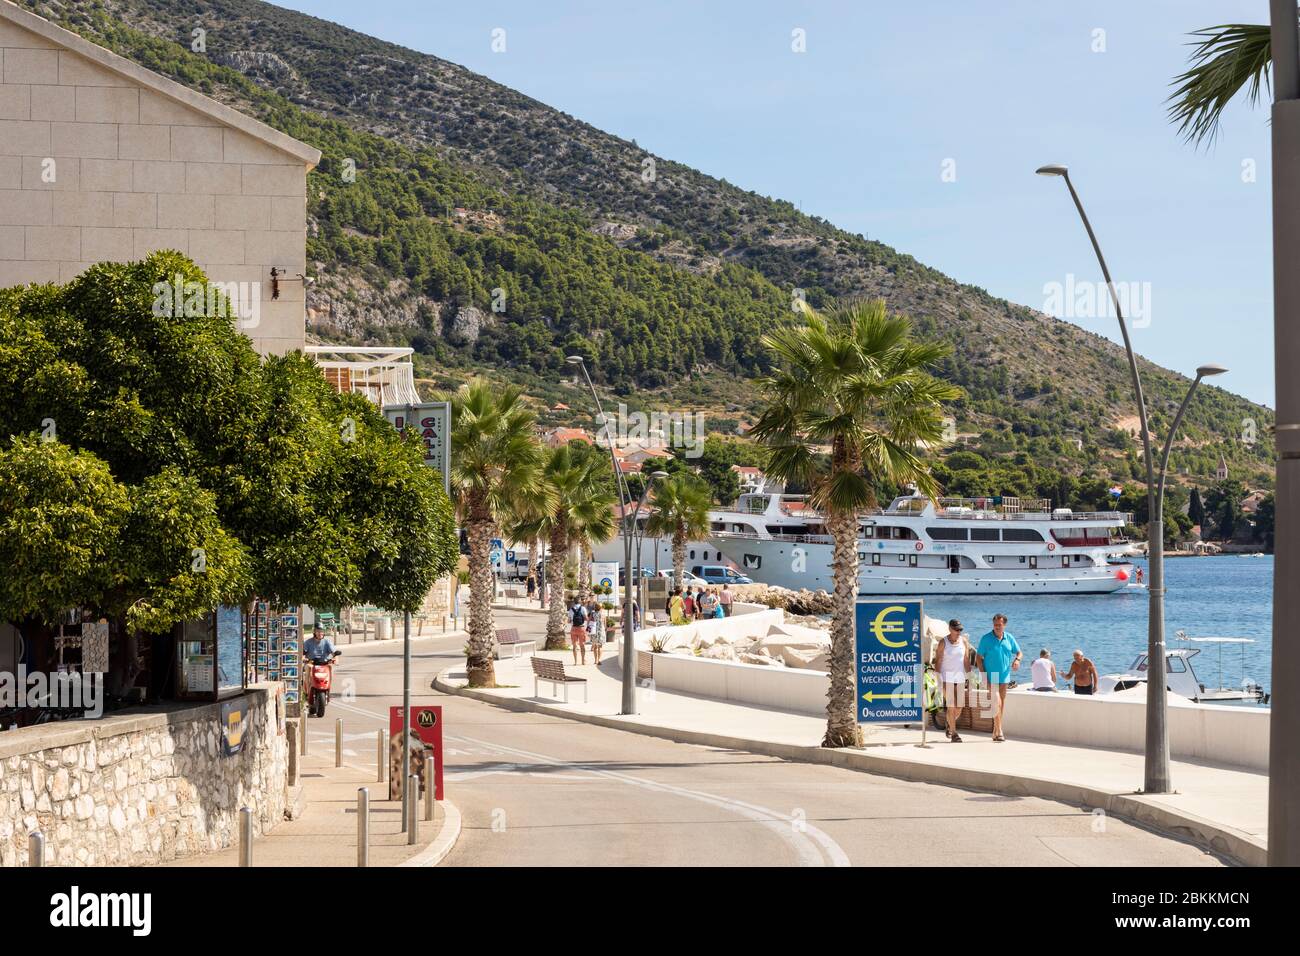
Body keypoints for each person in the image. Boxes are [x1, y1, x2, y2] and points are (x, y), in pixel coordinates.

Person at [975, 613, 1022, 742]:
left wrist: (1017, 660)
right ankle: (1000, 730)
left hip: (1005, 676)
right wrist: (983, 675)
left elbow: (1019, 652)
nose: (997, 627)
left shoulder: (1009, 638)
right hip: (991, 676)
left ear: (1004, 625)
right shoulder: (986, 639)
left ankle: (995, 731)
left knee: (1001, 704)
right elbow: (978, 658)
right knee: (996, 702)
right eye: (995, 625)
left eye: (999, 625)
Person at [933, 619, 970, 742]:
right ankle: (954, 733)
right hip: (946, 678)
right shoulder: (943, 642)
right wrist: (938, 678)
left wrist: (970, 676)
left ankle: (950, 723)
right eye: (956, 629)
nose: (958, 632)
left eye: (960, 629)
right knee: (951, 705)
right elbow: (938, 661)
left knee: (959, 707)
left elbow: (966, 660)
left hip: (959, 678)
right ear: (950, 629)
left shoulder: (964, 641)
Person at [569, 598, 588, 665]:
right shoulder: (583, 608)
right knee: (582, 645)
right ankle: (583, 661)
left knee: (574, 646)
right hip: (581, 628)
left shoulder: (571, 609)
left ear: (574, 602)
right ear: (580, 602)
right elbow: (586, 618)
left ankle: (575, 662)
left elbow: (569, 620)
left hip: (573, 628)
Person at [586, 598, 605, 664]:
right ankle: (599, 660)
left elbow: (589, 621)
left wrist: (588, 628)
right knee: (600, 646)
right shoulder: (603, 614)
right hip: (601, 631)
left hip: (594, 631)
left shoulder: (592, 613)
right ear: (601, 608)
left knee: (595, 646)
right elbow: (604, 623)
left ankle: (595, 660)